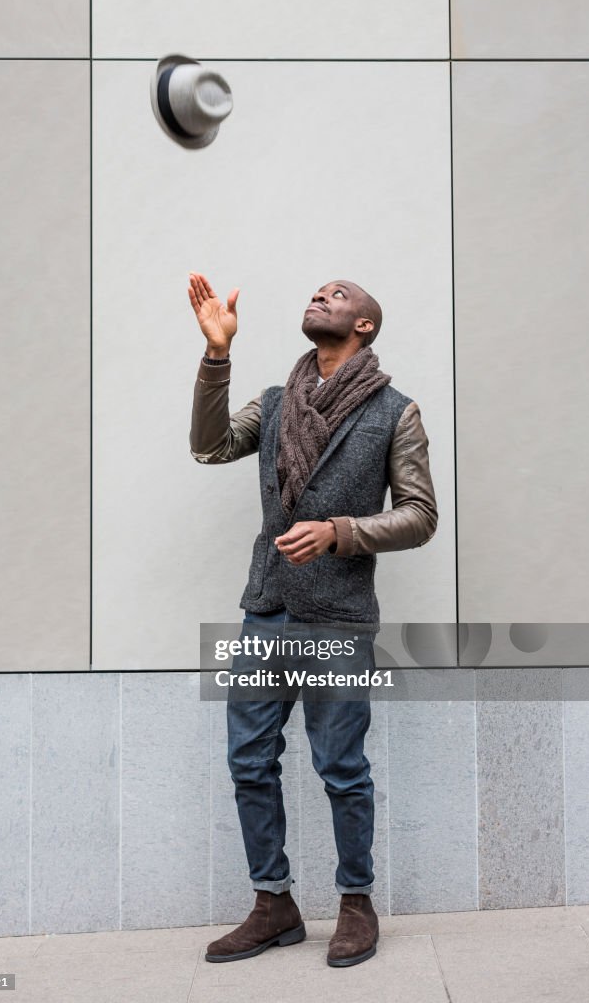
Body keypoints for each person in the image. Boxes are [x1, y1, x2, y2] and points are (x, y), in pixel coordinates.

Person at [188, 271, 438, 967]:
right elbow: (208, 448)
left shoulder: (396, 412)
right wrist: (216, 357)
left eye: (339, 294)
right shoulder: (275, 403)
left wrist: (341, 532)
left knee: (341, 768)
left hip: (338, 618)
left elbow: (421, 515)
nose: (320, 296)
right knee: (248, 761)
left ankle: (355, 903)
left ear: (365, 325)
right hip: (266, 610)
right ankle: (274, 904)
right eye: (317, 292)